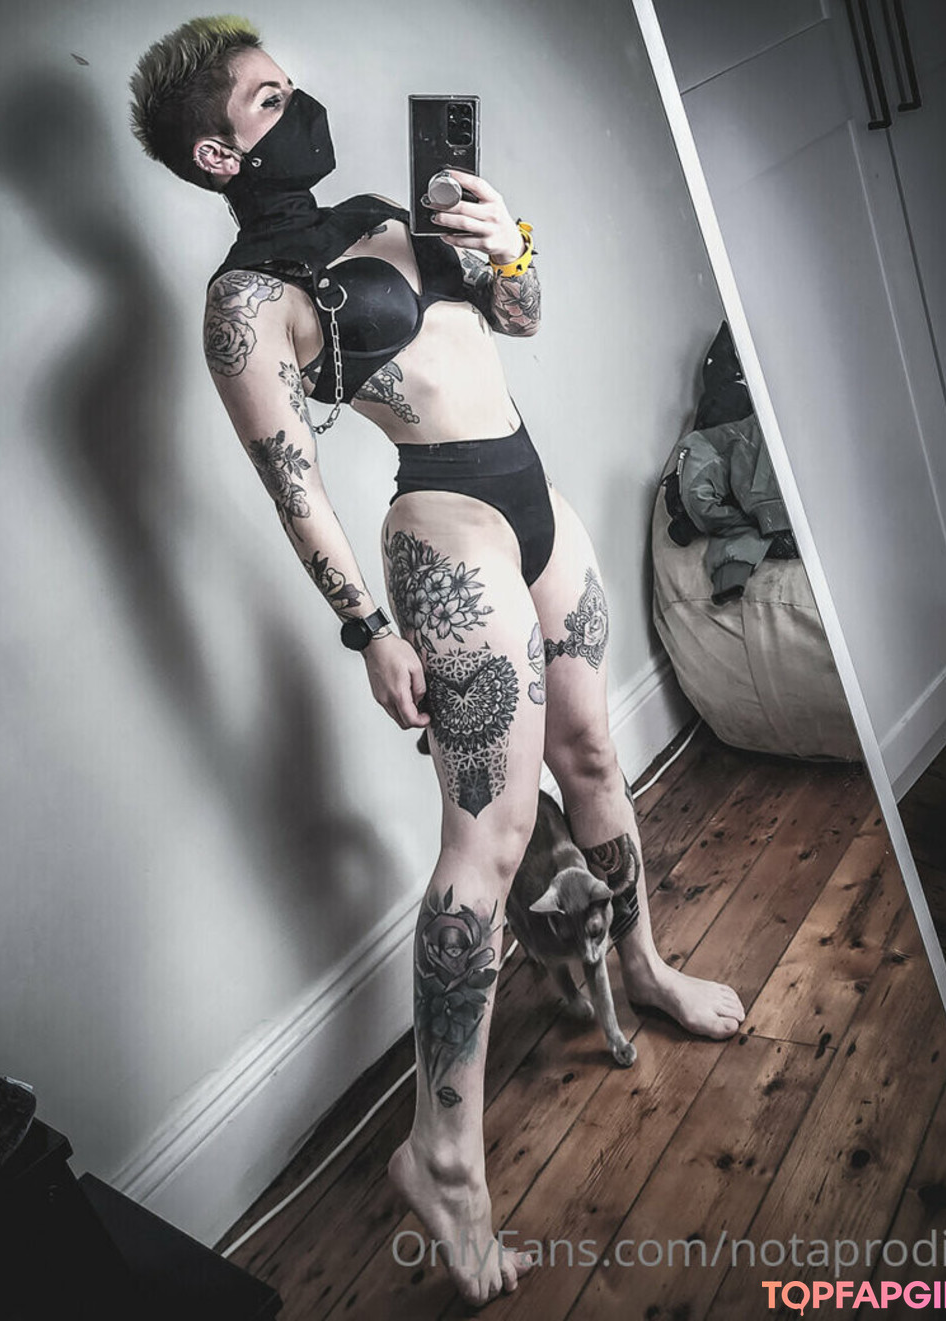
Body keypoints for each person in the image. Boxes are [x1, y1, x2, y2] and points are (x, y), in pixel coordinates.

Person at [130, 16, 744, 1306]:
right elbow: (292, 484)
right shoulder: (244, 302)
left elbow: (518, 316)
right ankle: (443, 1158)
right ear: (216, 153)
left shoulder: (385, 210)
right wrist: (369, 630)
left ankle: (641, 965)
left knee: (594, 754)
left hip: (535, 495)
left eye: (291, 86)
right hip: (447, 525)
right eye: (268, 101)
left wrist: (504, 238)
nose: (300, 108)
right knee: (491, 839)